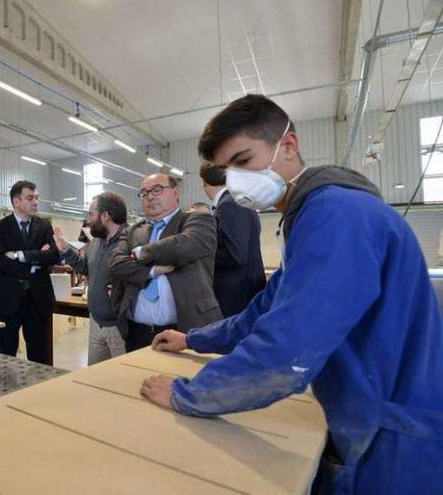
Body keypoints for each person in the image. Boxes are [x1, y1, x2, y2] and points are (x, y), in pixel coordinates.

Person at [143, 94, 443, 494]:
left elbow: (288, 350)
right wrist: (193, 338)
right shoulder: (310, 217)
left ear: (288, 145)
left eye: (243, 161)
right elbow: (263, 312)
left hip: (396, 435)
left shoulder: (336, 215)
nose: (235, 181)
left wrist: (189, 394)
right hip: (367, 415)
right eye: (226, 170)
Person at [108, 174, 221, 352]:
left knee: (179, 379)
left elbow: (184, 246)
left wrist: (141, 253)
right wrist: (152, 271)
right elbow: (116, 264)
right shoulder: (132, 231)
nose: (150, 196)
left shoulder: (197, 220)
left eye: (157, 190)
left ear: (175, 193)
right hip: (136, 332)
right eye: (144, 193)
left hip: (185, 330)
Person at [0, 181, 59, 365]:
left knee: (40, 356)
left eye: (36, 198)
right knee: (6, 355)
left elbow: (53, 256)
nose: (35, 202)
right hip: (8, 300)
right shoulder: (0, 227)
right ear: (16, 201)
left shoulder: (44, 225)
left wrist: (21, 256)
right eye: (30, 198)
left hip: (38, 300)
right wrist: (35, 262)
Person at [53, 192, 128, 365]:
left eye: (91, 214)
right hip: (96, 323)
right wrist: (66, 249)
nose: (88, 220)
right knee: (94, 379)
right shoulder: (97, 242)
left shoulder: (130, 241)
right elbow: (86, 268)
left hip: (120, 328)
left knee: (123, 381)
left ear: (105, 216)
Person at [199, 162, 266, 316]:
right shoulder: (240, 202)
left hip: (235, 295)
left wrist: (203, 256)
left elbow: (237, 254)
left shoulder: (228, 205)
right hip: (246, 291)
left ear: (204, 182)